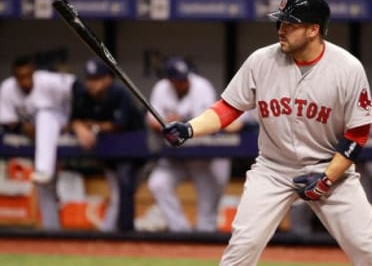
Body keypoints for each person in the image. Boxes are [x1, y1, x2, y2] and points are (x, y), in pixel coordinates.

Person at [160, 0, 372, 265]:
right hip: (273, 169)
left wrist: (327, 178)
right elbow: (228, 108)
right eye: (280, 22)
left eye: (290, 24)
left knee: (367, 251)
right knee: (241, 247)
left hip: (327, 167)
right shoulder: (261, 60)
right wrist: (189, 129)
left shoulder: (348, 68)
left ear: (313, 30)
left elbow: (358, 135)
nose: (281, 29)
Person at [147, 57, 232, 232]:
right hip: (174, 158)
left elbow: (205, 124)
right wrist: (168, 122)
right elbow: (152, 121)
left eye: (185, 78)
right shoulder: (161, 88)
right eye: (178, 80)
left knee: (208, 198)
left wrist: (178, 121)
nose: (183, 82)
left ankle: (205, 233)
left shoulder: (201, 86)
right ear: (170, 80)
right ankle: (181, 232)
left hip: (201, 158)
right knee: (158, 183)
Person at [0, 56, 76, 230]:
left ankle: (43, 169)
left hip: (61, 125)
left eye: (28, 75)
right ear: (15, 77)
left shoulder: (47, 80)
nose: (25, 81)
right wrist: (24, 128)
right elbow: (7, 120)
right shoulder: (7, 88)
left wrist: (75, 120)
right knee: (45, 187)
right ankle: (52, 232)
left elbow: (77, 87)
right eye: (21, 77)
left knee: (45, 115)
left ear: (34, 72)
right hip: (34, 139)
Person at [69, 58, 144, 231]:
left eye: (96, 79)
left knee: (124, 190)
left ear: (107, 79)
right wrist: (79, 126)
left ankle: (119, 233)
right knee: (118, 195)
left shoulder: (119, 93)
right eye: (89, 79)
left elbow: (119, 125)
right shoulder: (82, 94)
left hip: (136, 154)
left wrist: (91, 126)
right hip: (110, 154)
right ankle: (110, 234)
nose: (92, 84)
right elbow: (74, 120)